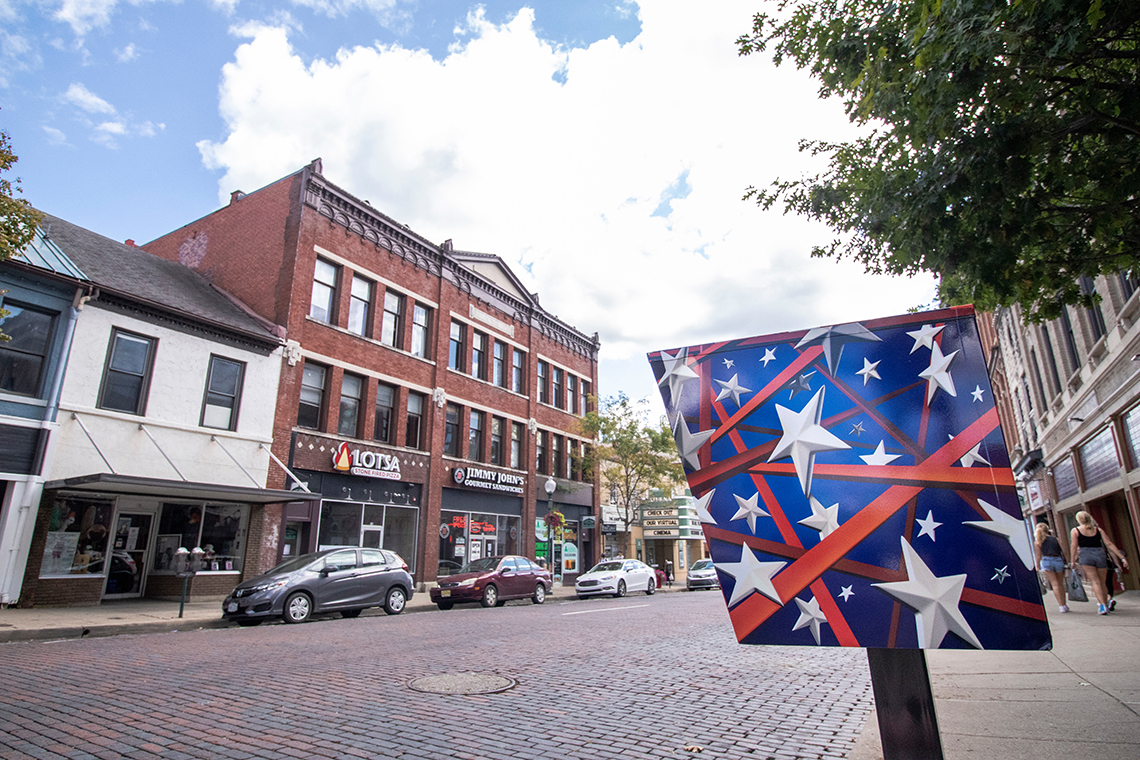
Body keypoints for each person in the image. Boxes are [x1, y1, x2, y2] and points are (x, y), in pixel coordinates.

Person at [1069, 510, 1130, 615]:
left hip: (1086, 555)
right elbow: (1109, 544)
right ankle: (1106, 602)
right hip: (1100, 555)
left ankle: (1102, 606)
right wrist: (1122, 557)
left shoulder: (1075, 531)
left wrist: (1072, 560)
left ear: (1078, 520)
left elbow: (1074, 546)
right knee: (1102, 582)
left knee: (1095, 582)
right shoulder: (1098, 530)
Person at [1034, 523, 1069, 613]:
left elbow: (1038, 555)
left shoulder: (1038, 541)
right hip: (1058, 559)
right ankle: (1064, 604)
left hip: (1046, 561)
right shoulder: (1056, 539)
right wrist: (1068, 561)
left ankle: (1061, 606)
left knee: (1054, 584)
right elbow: (1064, 551)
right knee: (1060, 583)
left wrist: (1037, 566)